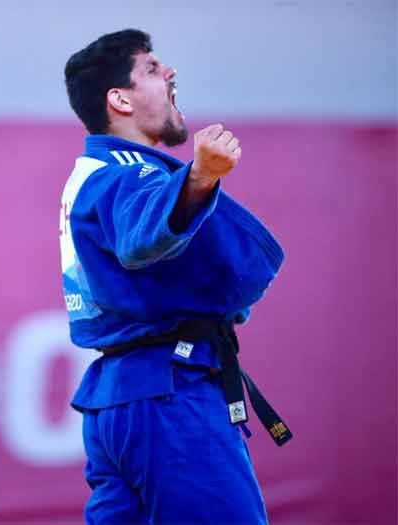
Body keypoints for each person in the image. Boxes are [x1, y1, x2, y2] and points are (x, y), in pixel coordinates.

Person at [60, 29, 290, 524]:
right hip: (170, 396)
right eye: (150, 68)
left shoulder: (94, 173)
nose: (169, 74)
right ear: (119, 99)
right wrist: (199, 178)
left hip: (123, 398)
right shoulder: (123, 173)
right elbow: (144, 237)